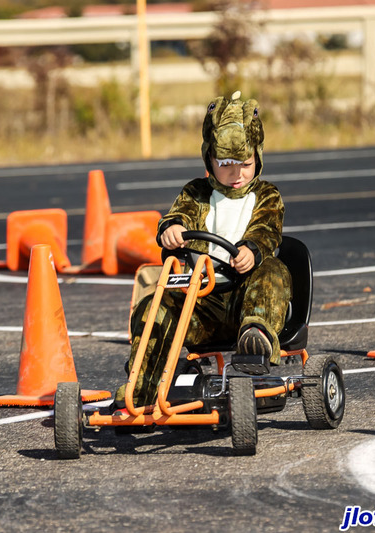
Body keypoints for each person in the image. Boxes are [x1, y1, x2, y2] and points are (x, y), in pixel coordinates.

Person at [115, 91, 292, 408]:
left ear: (258, 158)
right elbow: (178, 215)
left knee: (273, 270)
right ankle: (141, 389)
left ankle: (256, 337)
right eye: (225, 164)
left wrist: (252, 249)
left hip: (244, 298)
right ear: (209, 159)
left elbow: (267, 229)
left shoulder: (267, 195)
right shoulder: (196, 192)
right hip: (201, 303)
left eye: (245, 164)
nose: (236, 173)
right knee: (155, 305)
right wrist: (171, 229)